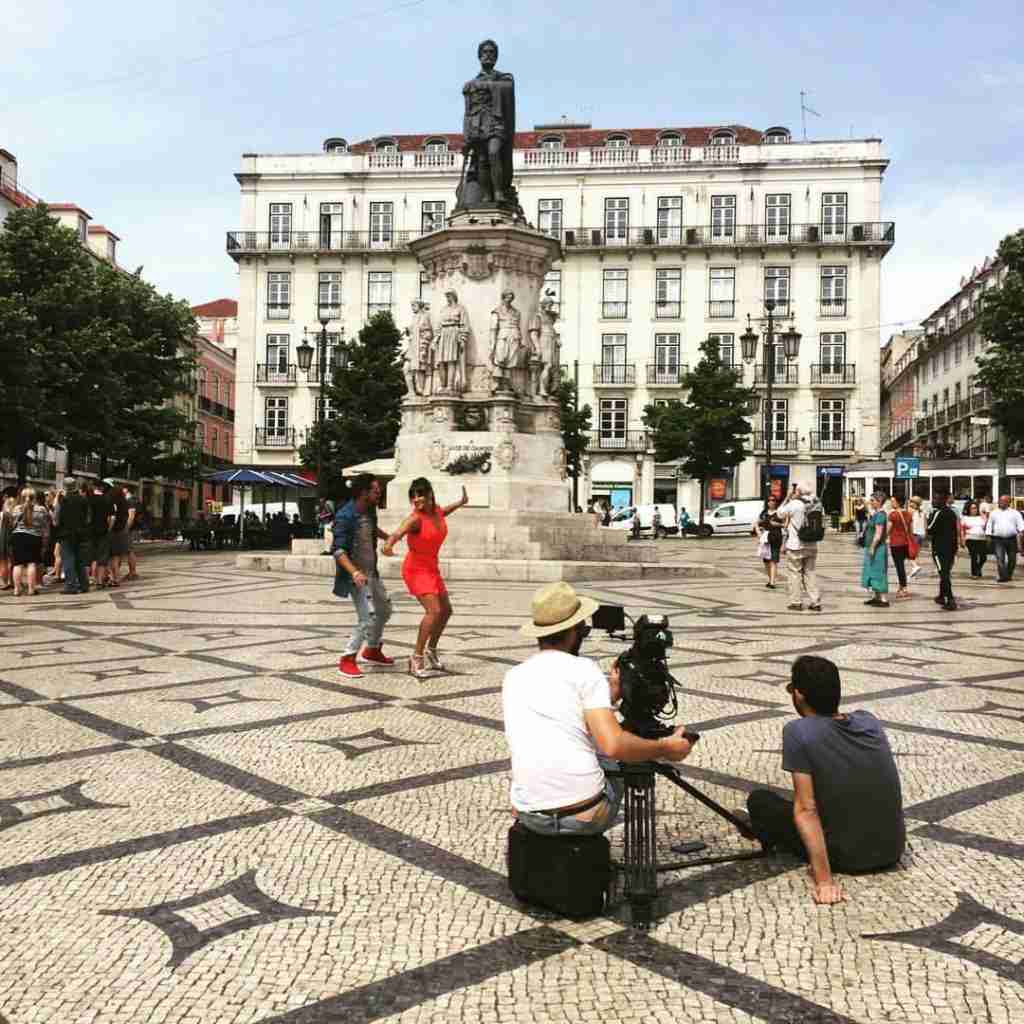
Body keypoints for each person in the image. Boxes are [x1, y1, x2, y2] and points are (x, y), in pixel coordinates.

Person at [503, 582, 694, 837]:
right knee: (610, 755)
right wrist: (665, 747)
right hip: (584, 817)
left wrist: (610, 696)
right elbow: (613, 745)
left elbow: (564, 715)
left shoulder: (513, 676)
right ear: (573, 631)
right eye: (583, 628)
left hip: (529, 814)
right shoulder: (584, 669)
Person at [745, 655, 905, 905]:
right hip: (892, 850)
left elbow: (806, 809)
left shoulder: (798, 731)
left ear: (798, 695)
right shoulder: (869, 720)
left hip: (847, 857)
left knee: (761, 801)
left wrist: (824, 881)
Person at [383, 478, 469, 678]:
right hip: (416, 569)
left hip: (431, 568)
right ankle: (416, 657)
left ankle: (431, 649)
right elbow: (398, 532)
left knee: (446, 611)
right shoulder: (415, 519)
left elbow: (444, 512)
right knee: (434, 611)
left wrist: (461, 502)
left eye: (420, 494)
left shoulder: (436, 511)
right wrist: (388, 545)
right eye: (413, 496)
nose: (416, 499)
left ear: (430, 494)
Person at [331, 474, 396, 679]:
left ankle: (372, 649)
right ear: (363, 493)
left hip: (371, 572)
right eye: (376, 490)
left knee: (385, 610)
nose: (379, 493)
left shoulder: (369, 510)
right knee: (366, 617)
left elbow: (371, 529)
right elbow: (338, 551)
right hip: (354, 575)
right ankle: (347, 658)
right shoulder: (344, 516)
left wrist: (390, 537)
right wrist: (355, 572)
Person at [780, 485, 822, 612]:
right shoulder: (817, 503)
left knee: (795, 573)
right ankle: (815, 602)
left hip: (796, 544)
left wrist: (787, 498)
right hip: (812, 543)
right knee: (810, 573)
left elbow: (780, 513)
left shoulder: (795, 504)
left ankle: (796, 602)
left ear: (798, 492)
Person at [11, 487, 50, 597]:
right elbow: (45, 526)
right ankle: (31, 589)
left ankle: (17, 590)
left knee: (17, 564)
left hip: (18, 536)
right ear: (35, 497)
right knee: (31, 563)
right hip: (33, 537)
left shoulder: (16, 509)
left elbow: (12, 523)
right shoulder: (41, 509)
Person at [56, 477, 91, 594]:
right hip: (82, 533)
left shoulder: (63, 501)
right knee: (80, 560)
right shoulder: (83, 500)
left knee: (68, 559)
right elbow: (88, 518)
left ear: (65, 487)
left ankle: (71, 586)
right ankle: (84, 585)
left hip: (66, 534)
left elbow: (56, 519)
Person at [927, 491, 961, 611]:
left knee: (944, 573)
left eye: (935, 499)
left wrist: (929, 518)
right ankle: (941, 596)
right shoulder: (952, 513)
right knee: (945, 571)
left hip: (940, 549)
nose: (932, 501)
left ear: (942, 500)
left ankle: (950, 599)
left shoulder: (938, 513)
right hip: (951, 548)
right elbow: (955, 531)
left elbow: (930, 529)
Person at [985, 495, 1024, 583]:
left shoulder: (1015, 513)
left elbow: (1021, 526)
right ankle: (1003, 576)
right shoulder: (994, 513)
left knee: (1012, 559)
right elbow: (989, 525)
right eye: (1000, 500)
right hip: (998, 539)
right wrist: (988, 536)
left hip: (1011, 539)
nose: (1001, 502)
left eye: (1003, 501)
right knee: (1000, 558)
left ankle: (1008, 575)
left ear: (1008, 502)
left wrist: (1021, 534)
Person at [860, 495, 890, 606]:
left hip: (878, 548)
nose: (870, 502)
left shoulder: (881, 515)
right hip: (872, 547)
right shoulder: (876, 514)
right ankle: (876, 597)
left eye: (872, 500)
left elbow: (878, 533)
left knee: (878, 572)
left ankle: (883, 599)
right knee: (872, 571)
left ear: (879, 502)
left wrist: (873, 547)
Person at [753, 496, 784, 588]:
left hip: (776, 538)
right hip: (766, 539)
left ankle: (772, 582)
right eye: (769, 500)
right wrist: (758, 532)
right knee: (766, 561)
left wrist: (778, 524)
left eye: (773, 500)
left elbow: (786, 525)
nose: (771, 502)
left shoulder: (779, 513)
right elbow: (756, 523)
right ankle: (770, 579)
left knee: (773, 560)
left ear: (776, 502)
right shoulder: (764, 513)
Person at [888, 495, 914, 600]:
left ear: (898, 502)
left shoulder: (893, 515)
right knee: (901, 566)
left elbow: (888, 529)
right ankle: (902, 587)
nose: (891, 503)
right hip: (905, 543)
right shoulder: (908, 514)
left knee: (899, 567)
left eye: (893, 501)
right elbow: (911, 530)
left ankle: (903, 588)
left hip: (895, 544)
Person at [89, 480, 115, 585]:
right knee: (102, 557)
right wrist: (108, 528)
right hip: (103, 531)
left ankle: (92, 578)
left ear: (94, 488)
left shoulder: (89, 499)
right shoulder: (107, 500)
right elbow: (111, 517)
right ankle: (100, 580)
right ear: (102, 488)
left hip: (90, 531)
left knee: (92, 556)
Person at [107, 483, 130, 587]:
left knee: (111, 557)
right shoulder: (125, 503)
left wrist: (109, 529)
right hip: (121, 530)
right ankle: (116, 578)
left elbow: (112, 517)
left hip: (113, 531)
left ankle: (113, 578)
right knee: (117, 557)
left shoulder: (112, 503)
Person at [960, 500, 989, 578]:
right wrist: (962, 540)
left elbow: (986, 527)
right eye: (972, 508)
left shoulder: (981, 517)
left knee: (983, 557)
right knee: (974, 556)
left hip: (982, 539)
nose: (974, 510)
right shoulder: (965, 518)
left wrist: (985, 517)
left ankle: (978, 569)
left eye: (975, 508)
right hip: (970, 539)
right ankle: (974, 573)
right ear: (968, 509)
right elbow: (962, 530)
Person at [906, 496, 927, 578]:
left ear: (915, 503)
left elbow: (909, 523)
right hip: (921, 534)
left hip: (914, 534)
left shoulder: (910, 511)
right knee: (915, 554)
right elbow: (925, 523)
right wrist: (925, 533)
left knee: (909, 553)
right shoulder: (923, 512)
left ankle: (915, 567)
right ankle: (915, 571)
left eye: (911, 502)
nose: (910, 503)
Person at [0, 495, 13, 590]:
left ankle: (5, 582)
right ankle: (10, 581)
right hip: (6, 539)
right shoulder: (6, 514)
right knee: (9, 561)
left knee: (3, 562)